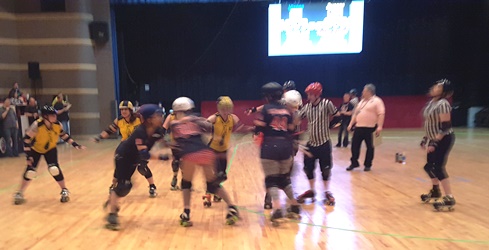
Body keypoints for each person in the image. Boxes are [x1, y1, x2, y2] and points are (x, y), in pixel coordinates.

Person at [169, 97, 239, 227]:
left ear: (177, 111)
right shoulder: (196, 119)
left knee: (186, 183)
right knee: (212, 184)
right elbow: (210, 129)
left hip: (189, 154)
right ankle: (232, 207)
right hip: (206, 153)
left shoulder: (175, 124)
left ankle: (186, 212)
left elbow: (175, 145)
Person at [105, 104, 168, 230]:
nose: (161, 118)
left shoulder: (158, 130)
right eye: (158, 116)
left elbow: (165, 144)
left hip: (133, 158)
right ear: (149, 119)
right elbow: (144, 154)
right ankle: (111, 215)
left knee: (125, 187)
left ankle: (112, 199)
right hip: (123, 157)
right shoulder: (140, 131)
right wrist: (161, 157)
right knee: (124, 186)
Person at [13, 105, 85, 205]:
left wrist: (75, 144)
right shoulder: (37, 125)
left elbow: (64, 135)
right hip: (36, 149)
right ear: (45, 116)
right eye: (52, 115)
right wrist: (28, 156)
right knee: (30, 171)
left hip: (50, 149)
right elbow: (26, 140)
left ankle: (64, 190)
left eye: (55, 115)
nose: (55, 117)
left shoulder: (57, 124)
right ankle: (20, 193)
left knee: (54, 169)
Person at [254, 82, 301, 224]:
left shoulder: (266, 109)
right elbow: (292, 128)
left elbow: (259, 126)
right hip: (286, 147)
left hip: (270, 147)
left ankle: (278, 208)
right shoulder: (286, 110)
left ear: (268, 96)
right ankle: (294, 205)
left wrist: (256, 128)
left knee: (271, 180)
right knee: (284, 179)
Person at [94, 101, 159, 198]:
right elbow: (109, 130)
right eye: (122, 109)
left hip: (138, 145)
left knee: (142, 167)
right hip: (125, 146)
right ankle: (114, 185)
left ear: (130, 110)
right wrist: (100, 137)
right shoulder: (119, 120)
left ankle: (152, 186)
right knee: (119, 166)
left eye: (126, 109)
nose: (123, 111)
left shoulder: (138, 118)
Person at [203, 96, 252, 206]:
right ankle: (208, 195)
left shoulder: (233, 118)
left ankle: (215, 192)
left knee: (222, 175)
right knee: (216, 174)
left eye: (228, 109)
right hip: (213, 150)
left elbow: (241, 128)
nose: (225, 111)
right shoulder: (214, 118)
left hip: (223, 150)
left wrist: (251, 129)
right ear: (218, 109)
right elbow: (202, 126)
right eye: (223, 109)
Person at [295, 82, 338, 205]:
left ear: (316, 94)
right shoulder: (307, 107)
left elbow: (336, 115)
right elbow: (297, 120)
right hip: (311, 144)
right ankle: (312, 190)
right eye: (308, 94)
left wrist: (330, 125)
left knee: (325, 169)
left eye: (310, 94)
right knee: (308, 169)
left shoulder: (326, 104)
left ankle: (326, 191)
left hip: (324, 143)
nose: (308, 96)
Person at [419, 79, 456, 211]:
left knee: (438, 167)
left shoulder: (443, 104)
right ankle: (435, 191)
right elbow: (431, 124)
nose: (434, 87)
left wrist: (435, 142)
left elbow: (446, 126)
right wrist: (425, 138)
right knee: (429, 167)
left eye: (438, 87)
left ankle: (449, 198)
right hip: (434, 138)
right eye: (435, 85)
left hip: (444, 138)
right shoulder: (431, 103)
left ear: (444, 91)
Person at [346, 83, 385, 171]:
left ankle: (368, 164)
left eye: (364, 90)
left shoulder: (377, 101)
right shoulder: (361, 102)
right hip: (359, 127)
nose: (362, 92)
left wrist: (379, 126)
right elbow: (355, 114)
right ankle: (354, 163)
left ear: (369, 91)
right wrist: (351, 124)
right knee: (354, 146)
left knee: (370, 147)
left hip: (370, 128)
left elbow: (381, 114)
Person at [162, 108, 181, 190]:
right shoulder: (171, 116)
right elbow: (164, 128)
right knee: (177, 161)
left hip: (185, 142)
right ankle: (175, 177)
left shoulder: (187, 116)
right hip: (175, 143)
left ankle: (184, 180)